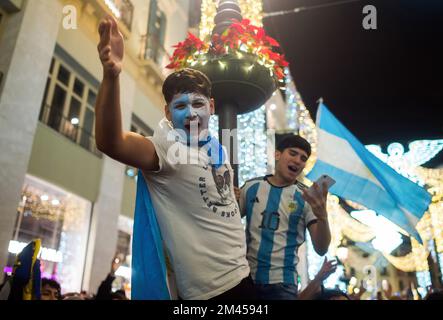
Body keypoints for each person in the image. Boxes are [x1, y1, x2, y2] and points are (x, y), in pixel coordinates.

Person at [95, 16, 251, 300]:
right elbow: (111, 142)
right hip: (210, 294)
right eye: (180, 106)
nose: (191, 113)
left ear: (211, 107)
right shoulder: (166, 148)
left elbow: (217, 202)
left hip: (243, 275)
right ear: (168, 113)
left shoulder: (216, 148)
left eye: (198, 103)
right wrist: (112, 75)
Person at [238, 135, 331, 299]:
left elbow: (321, 248)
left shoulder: (306, 197)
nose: (298, 161)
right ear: (277, 155)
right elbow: (228, 222)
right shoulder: (251, 187)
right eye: (293, 153)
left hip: (283, 285)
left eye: (303, 158)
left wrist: (323, 217)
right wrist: (226, 198)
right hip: (246, 279)